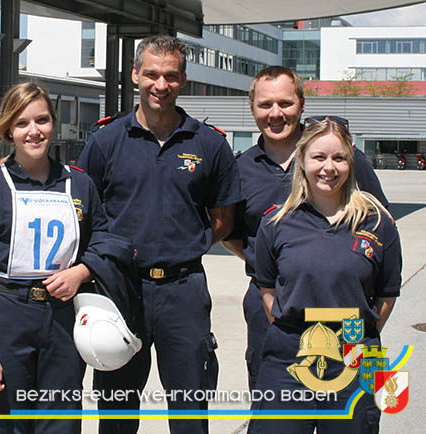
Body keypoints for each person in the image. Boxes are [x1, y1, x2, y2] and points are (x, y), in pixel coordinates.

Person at [77, 35, 242, 434]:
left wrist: (187, 245)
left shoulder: (210, 144)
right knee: (116, 414)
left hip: (182, 292)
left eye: (170, 75)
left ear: (183, 78)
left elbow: (224, 217)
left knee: (190, 411)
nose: (160, 85)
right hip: (119, 290)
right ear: (135, 75)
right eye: (151, 74)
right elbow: (83, 212)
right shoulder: (105, 141)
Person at [221, 66, 388, 390]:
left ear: (301, 104)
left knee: (354, 411)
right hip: (268, 303)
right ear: (253, 107)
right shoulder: (239, 169)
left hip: (346, 305)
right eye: (265, 104)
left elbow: (378, 230)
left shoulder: (341, 158)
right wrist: (280, 265)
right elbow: (232, 235)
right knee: (274, 410)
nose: (276, 113)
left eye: (285, 103)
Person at [0, 82, 109, 434]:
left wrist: (82, 272)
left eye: (41, 120)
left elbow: (103, 242)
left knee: (61, 421)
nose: (34, 131)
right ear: (9, 129)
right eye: (22, 123)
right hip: (9, 314)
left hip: (62, 318)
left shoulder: (80, 184)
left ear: (53, 124)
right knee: (3, 419)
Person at [248, 116, 400, 433]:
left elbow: (386, 295)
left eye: (338, 158)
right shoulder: (276, 223)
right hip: (289, 356)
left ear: (351, 162)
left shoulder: (377, 222)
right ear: (302, 160)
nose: (328, 167)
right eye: (319, 157)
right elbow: (267, 287)